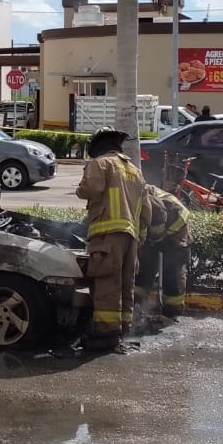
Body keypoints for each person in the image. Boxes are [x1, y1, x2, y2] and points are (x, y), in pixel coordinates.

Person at [76, 128, 148, 350]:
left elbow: (89, 189)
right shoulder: (135, 171)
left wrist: (82, 184)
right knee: (126, 285)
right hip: (131, 237)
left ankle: (106, 336)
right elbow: (146, 211)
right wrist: (140, 237)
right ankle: (124, 330)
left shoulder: (102, 163)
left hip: (108, 236)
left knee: (108, 283)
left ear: (97, 146)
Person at [135, 183, 191, 322]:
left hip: (176, 227)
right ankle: (137, 305)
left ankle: (172, 311)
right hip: (157, 226)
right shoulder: (134, 193)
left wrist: (156, 238)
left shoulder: (149, 199)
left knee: (173, 268)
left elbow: (157, 218)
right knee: (144, 264)